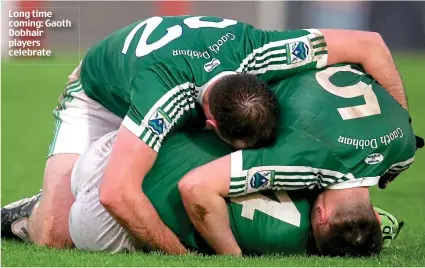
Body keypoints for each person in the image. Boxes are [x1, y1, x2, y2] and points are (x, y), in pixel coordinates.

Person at [1, 15, 408, 252]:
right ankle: (26, 213)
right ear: (211, 125)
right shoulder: (163, 96)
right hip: (101, 96)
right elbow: (116, 195)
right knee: (55, 236)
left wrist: (397, 121)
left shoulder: (263, 50)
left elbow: (369, 44)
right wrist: (183, 257)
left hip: (183, 77)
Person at [177, 64, 421, 256]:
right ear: (321, 217)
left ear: (376, 216)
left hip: (326, 62)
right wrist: (232, 257)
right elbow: (196, 186)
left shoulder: (405, 152)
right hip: (221, 77)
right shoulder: (300, 165)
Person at [69, 131, 403, 256]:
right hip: (98, 224)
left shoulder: (305, 160)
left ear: (322, 216)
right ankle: (34, 214)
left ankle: (38, 208)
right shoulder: (288, 240)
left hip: (112, 154)